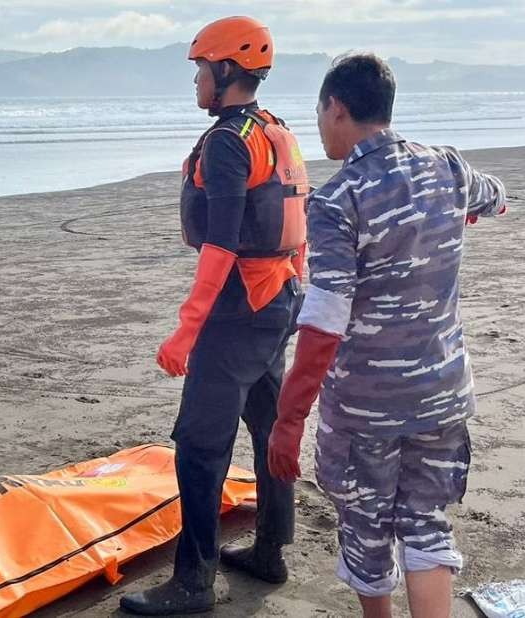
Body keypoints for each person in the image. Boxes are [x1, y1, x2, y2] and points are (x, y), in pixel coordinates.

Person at [268, 54, 507, 618]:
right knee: (426, 525)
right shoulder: (445, 168)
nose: (319, 127)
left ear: (338, 108)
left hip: (365, 409)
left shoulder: (336, 201)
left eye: (319, 112)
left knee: (367, 529)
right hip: (442, 394)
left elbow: (325, 321)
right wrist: (459, 215)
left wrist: (289, 418)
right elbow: (493, 196)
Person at [120, 16, 308, 615]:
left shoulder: (230, 142)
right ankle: (272, 549)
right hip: (277, 298)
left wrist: (187, 328)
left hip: (238, 311)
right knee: (270, 424)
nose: (197, 82)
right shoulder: (275, 130)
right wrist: (294, 291)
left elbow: (222, 245)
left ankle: (193, 582)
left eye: (201, 70)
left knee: (200, 447)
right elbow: (294, 224)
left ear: (226, 70)